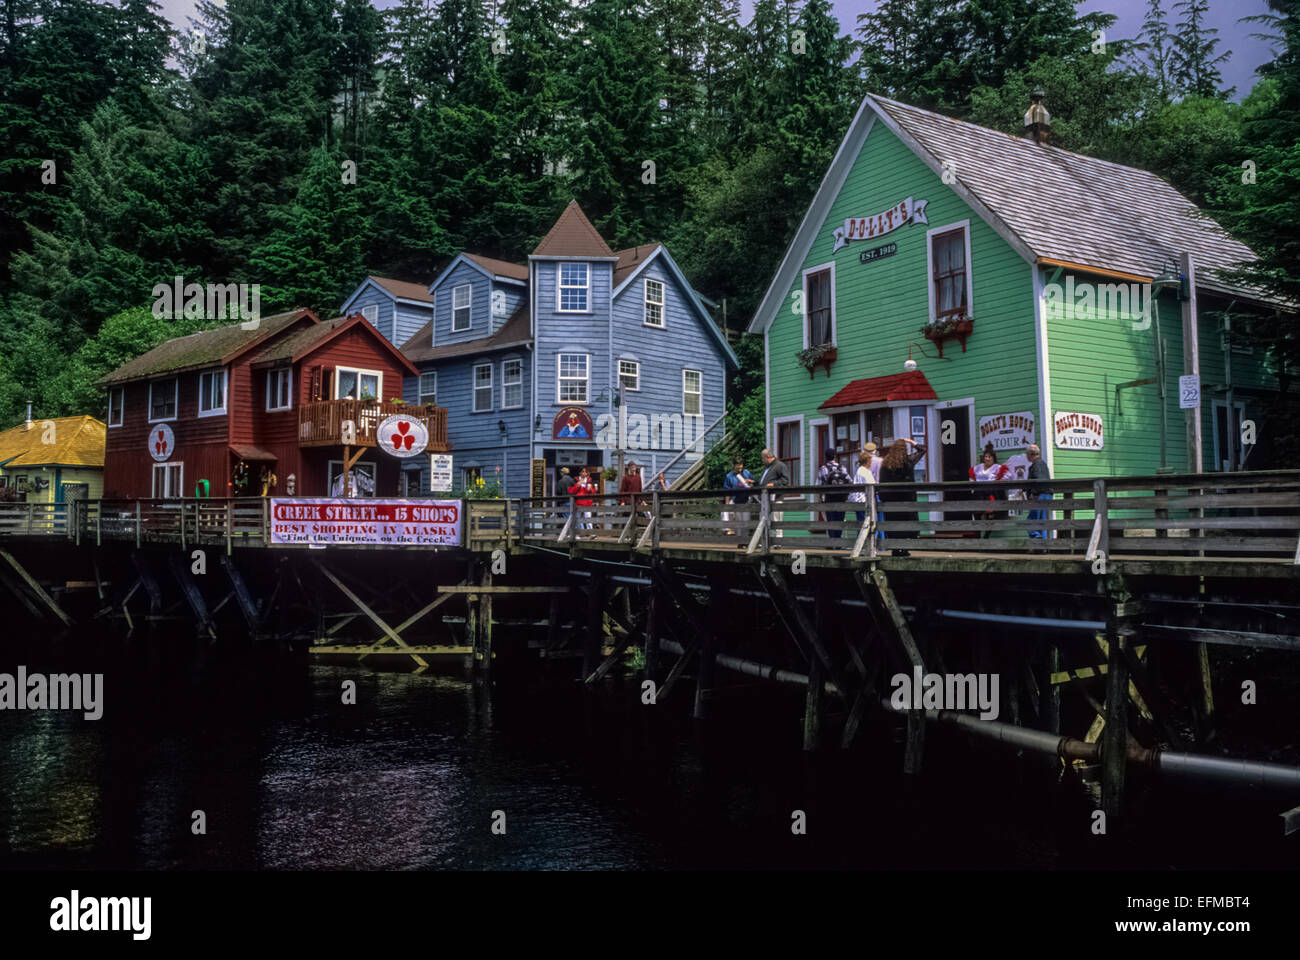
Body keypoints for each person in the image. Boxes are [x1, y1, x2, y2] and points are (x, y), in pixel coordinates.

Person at [877, 438, 927, 556]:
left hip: (890, 501)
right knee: (905, 524)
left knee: (893, 524)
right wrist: (911, 442)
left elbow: (881, 482)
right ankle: (904, 549)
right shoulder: (908, 462)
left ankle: (895, 549)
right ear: (904, 450)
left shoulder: (886, 463)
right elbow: (922, 450)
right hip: (906, 499)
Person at [970, 444, 1009, 538]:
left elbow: (1007, 476)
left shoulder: (997, 467)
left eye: (989, 457)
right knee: (977, 514)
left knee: (990, 515)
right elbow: (971, 478)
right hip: (979, 493)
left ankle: (986, 535)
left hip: (991, 493)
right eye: (986, 456)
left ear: (993, 458)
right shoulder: (978, 468)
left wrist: (997, 483)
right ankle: (978, 534)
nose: (987, 459)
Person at [816, 447, 852, 539]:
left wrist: (820, 497)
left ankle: (832, 543)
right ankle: (838, 542)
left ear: (826, 457)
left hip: (829, 498)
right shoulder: (842, 468)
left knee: (830, 520)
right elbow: (850, 481)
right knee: (839, 520)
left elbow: (818, 485)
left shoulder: (823, 469)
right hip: (841, 498)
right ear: (835, 457)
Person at [1025, 444, 1052, 547]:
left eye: (1026, 454)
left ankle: (1037, 539)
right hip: (1047, 494)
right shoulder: (1043, 464)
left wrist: (1031, 492)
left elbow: (1038, 480)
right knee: (1042, 522)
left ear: (1029, 454)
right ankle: (1043, 547)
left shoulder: (1036, 465)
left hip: (1039, 495)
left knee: (1030, 521)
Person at [758, 448, 790, 538]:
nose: (762, 460)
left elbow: (785, 480)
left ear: (767, 457)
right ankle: (765, 541)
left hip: (776, 498)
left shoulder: (780, 465)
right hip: (765, 499)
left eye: (763, 458)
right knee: (764, 520)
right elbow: (764, 481)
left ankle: (778, 542)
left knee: (777, 520)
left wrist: (773, 484)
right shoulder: (767, 467)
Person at [723, 458, 754, 542]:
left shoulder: (747, 473)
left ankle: (746, 540)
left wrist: (750, 482)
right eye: (738, 468)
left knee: (746, 520)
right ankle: (739, 540)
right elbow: (727, 491)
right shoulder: (729, 476)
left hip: (746, 499)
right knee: (738, 520)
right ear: (734, 466)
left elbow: (754, 483)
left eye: (741, 468)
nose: (740, 470)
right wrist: (727, 504)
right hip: (736, 500)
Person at [849, 449, 877, 526]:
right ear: (867, 461)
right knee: (864, 523)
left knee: (860, 522)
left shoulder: (859, 470)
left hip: (857, 500)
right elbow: (872, 485)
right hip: (863, 500)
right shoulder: (865, 472)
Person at [572, 467, 596, 533]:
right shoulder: (575, 480)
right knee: (578, 518)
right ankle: (580, 532)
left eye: (585, 472)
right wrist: (577, 486)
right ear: (579, 473)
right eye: (582, 471)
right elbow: (571, 491)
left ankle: (590, 532)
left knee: (588, 517)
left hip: (587, 502)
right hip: (578, 501)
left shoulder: (590, 480)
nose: (584, 473)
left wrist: (591, 489)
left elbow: (593, 492)